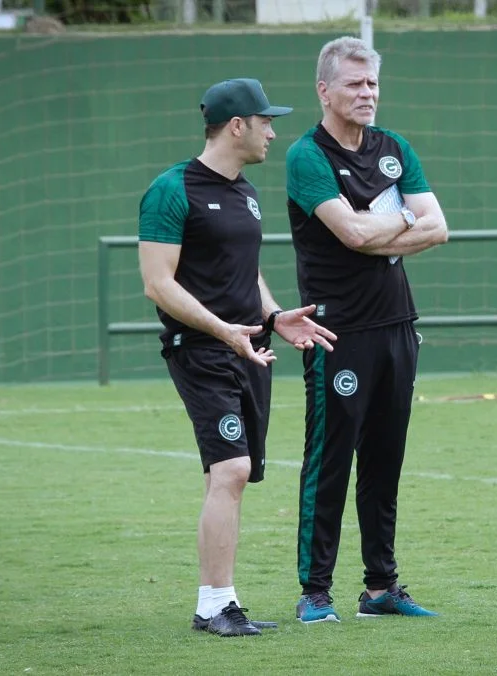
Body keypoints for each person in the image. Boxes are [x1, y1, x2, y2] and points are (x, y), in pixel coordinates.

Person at [138, 78, 338, 637]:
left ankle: (219, 601)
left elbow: (245, 272)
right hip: (202, 349)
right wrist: (223, 330)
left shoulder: (246, 192)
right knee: (232, 468)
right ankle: (213, 605)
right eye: (266, 121)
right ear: (236, 125)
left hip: (248, 348)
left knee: (229, 476)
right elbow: (158, 283)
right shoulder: (171, 188)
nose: (273, 131)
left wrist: (274, 317)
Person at [284, 36, 449, 624]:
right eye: (355, 84)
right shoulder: (307, 156)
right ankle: (315, 591)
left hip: (397, 328)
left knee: (385, 461)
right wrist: (403, 220)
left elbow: (440, 227)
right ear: (324, 91)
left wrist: (386, 222)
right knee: (329, 462)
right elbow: (350, 237)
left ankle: (381, 587)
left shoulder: (394, 148)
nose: (367, 94)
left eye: (373, 83)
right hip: (338, 333)